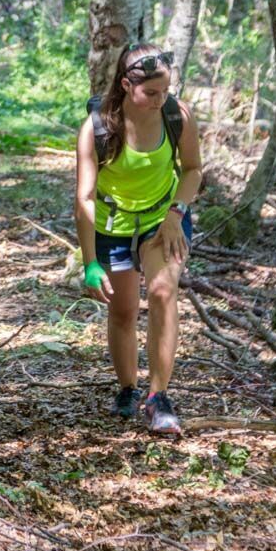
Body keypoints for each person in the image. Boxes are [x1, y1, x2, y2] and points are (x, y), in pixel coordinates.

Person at [75, 43, 202, 434]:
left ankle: (157, 396)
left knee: (164, 292)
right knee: (124, 309)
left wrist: (175, 214)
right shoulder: (97, 127)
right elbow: (85, 197)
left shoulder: (174, 115)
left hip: (163, 220)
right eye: (151, 92)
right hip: (112, 228)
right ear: (127, 84)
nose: (159, 100)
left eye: (165, 91)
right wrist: (91, 262)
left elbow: (193, 169)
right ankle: (128, 389)